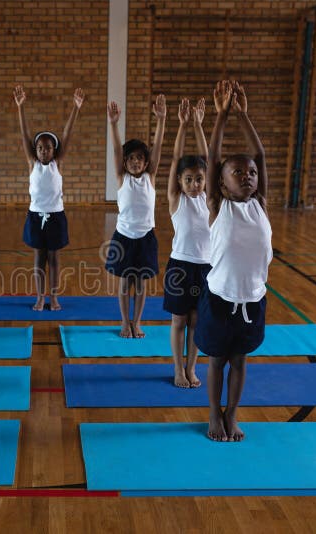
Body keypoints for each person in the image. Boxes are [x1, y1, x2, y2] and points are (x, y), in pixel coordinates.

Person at [195, 80, 272, 442]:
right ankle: (213, 411)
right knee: (216, 360)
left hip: (253, 299)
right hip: (220, 299)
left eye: (251, 173)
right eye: (237, 172)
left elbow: (261, 155)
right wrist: (222, 116)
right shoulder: (217, 206)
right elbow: (211, 158)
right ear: (222, 184)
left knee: (240, 360)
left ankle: (232, 414)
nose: (247, 176)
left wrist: (244, 115)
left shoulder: (260, 205)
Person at [13, 84, 84, 310]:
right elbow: (24, 134)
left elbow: (67, 134)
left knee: (53, 259)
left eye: (49, 148)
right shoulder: (32, 163)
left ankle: (53, 297)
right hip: (35, 217)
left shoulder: (57, 164)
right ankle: (39, 297)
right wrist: (20, 108)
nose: (44, 151)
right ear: (36, 151)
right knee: (38, 260)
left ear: (55, 151)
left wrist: (76, 108)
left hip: (55, 217)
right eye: (41, 148)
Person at [105, 95, 167, 338]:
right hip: (124, 237)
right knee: (124, 283)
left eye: (139, 158)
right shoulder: (123, 179)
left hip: (145, 237)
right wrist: (113, 124)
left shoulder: (149, 179)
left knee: (141, 284)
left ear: (146, 162)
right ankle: (124, 322)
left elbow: (158, 149)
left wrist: (161, 121)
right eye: (130, 158)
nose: (134, 162)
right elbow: (115, 151)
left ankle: (137, 321)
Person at [163, 97, 209, 388]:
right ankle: (178, 370)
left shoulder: (210, 200)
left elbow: (209, 160)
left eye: (199, 179)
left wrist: (199, 126)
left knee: (197, 322)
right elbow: (175, 159)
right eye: (189, 179)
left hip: (206, 268)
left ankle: (192, 369)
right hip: (180, 266)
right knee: (179, 321)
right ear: (180, 182)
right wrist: (182, 126)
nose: (195, 184)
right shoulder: (176, 200)